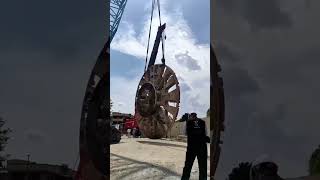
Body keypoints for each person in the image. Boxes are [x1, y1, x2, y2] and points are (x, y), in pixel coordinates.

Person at [181, 112, 210, 180]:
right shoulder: (203, 122)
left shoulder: (187, 122)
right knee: (203, 167)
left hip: (191, 147)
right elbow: (206, 134)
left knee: (188, 166)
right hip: (202, 147)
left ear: (191, 116)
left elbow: (183, 133)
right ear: (196, 116)